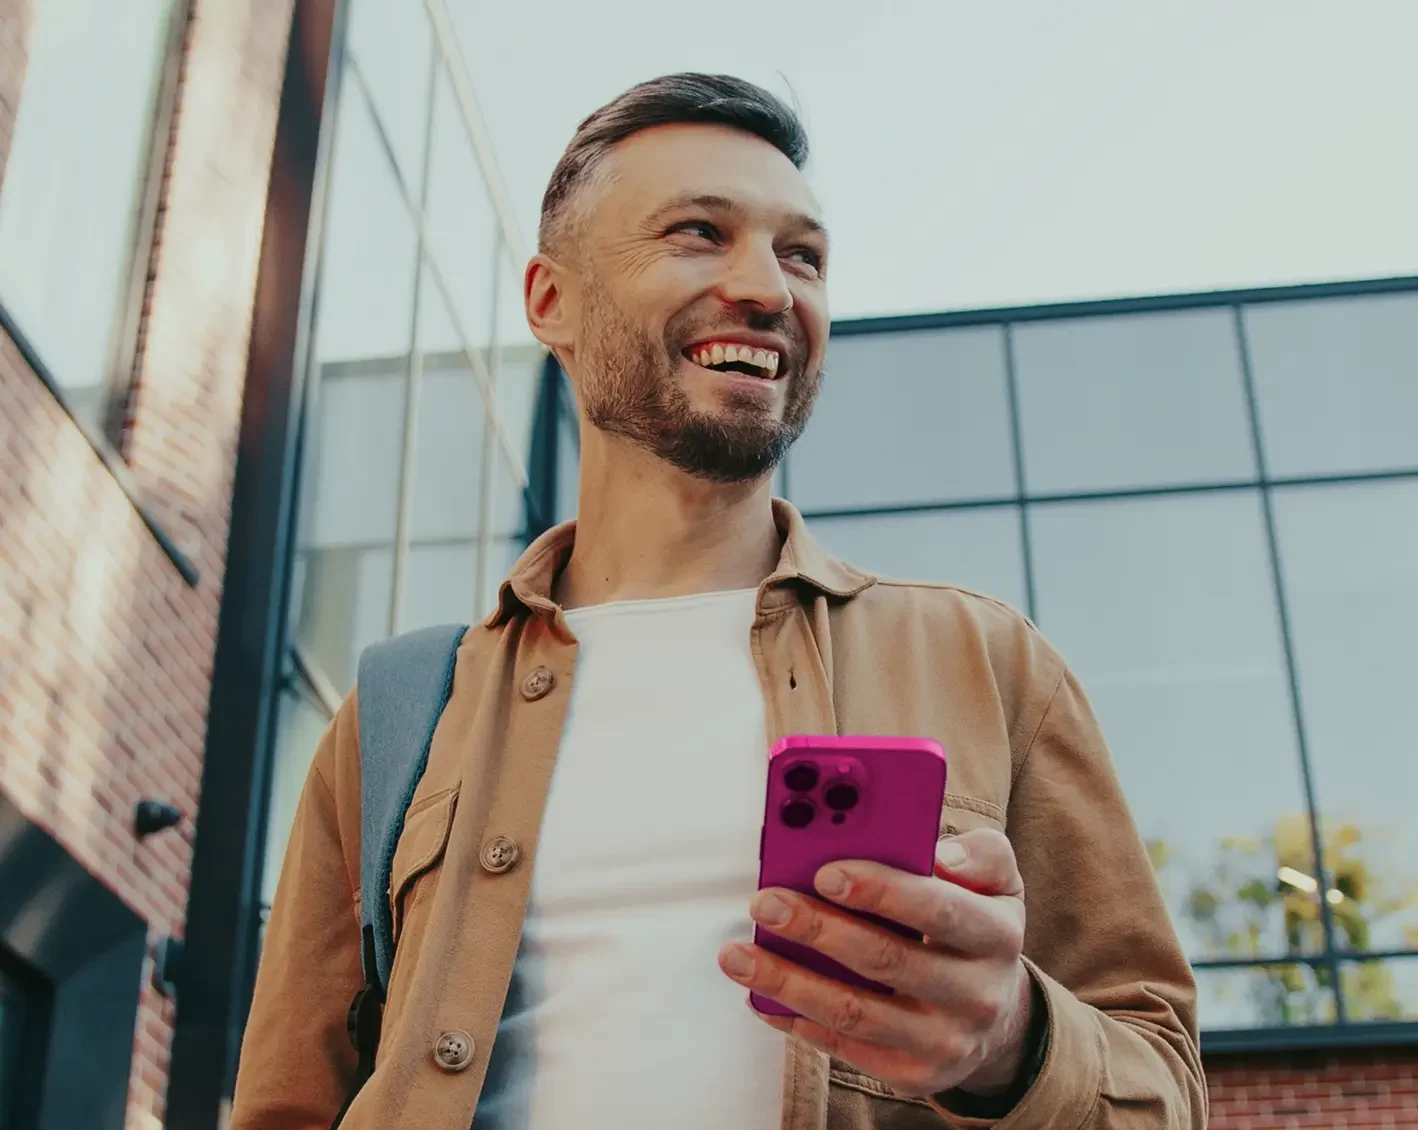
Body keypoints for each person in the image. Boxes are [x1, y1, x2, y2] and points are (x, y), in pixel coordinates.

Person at [230, 73, 1206, 1129]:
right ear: (551, 301)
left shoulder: (986, 661)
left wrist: (1009, 1036)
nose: (769, 288)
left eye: (803, 255)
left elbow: (1163, 1090)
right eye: (698, 233)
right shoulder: (396, 716)